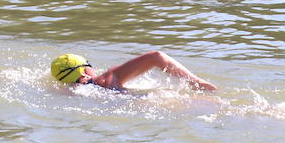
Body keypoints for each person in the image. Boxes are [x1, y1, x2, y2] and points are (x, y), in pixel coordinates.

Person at [50, 51, 216, 92]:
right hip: (161, 104)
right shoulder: (107, 79)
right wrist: (196, 82)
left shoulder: (72, 91)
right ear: (84, 71)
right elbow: (157, 56)